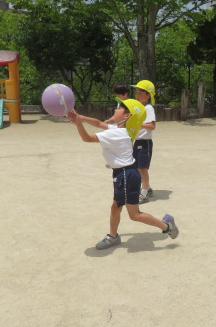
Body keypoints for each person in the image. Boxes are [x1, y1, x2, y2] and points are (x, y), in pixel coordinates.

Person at [67, 98, 179, 250]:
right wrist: (79, 117)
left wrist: (79, 124)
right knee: (116, 207)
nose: (115, 109)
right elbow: (99, 123)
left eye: (119, 108)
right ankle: (113, 236)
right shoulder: (122, 130)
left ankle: (167, 226)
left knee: (134, 215)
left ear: (127, 116)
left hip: (126, 175)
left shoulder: (116, 134)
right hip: (123, 174)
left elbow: (87, 138)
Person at [131, 80, 157, 203]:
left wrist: (138, 124)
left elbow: (152, 126)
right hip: (137, 142)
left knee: (142, 169)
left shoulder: (148, 108)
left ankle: (144, 193)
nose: (137, 95)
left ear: (148, 95)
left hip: (145, 143)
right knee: (136, 167)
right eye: (136, 92)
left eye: (140, 93)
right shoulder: (139, 108)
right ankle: (148, 188)